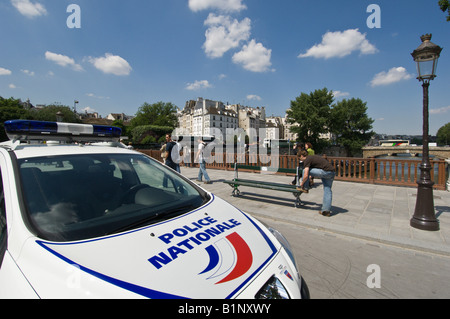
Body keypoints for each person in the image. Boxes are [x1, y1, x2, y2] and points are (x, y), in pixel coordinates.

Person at [297, 150, 335, 217]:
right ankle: (326, 211)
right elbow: (317, 166)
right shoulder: (312, 157)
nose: (300, 160)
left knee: (304, 171)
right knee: (327, 190)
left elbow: (306, 174)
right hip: (331, 172)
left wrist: (302, 183)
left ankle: (305, 188)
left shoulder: (307, 159)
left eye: (299, 158)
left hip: (325, 171)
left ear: (302, 156)